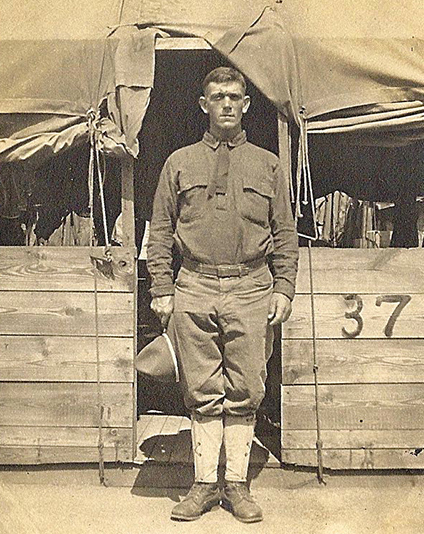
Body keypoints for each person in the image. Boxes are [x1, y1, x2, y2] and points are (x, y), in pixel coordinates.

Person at [147, 66, 298, 523]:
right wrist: (161, 287)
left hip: (252, 286)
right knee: (200, 387)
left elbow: (285, 234)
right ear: (204, 104)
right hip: (193, 284)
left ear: (246, 104)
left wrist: (285, 288)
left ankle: (236, 485)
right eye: (218, 97)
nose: (227, 104)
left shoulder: (269, 165)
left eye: (235, 96)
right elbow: (159, 231)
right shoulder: (179, 162)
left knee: (247, 387)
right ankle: (203, 485)